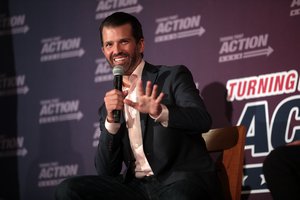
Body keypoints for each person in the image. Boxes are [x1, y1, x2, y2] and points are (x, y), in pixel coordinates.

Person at [55, 12, 223, 200]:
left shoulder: (172, 76)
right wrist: (111, 123)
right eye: (109, 44)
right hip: (136, 188)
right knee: (68, 189)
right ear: (103, 51)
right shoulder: (109, 106)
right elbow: (105, 171)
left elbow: (202, 120)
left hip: (179, 181)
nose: (116, 50)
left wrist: (161, 111)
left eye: (124, 42)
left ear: (140, 44)